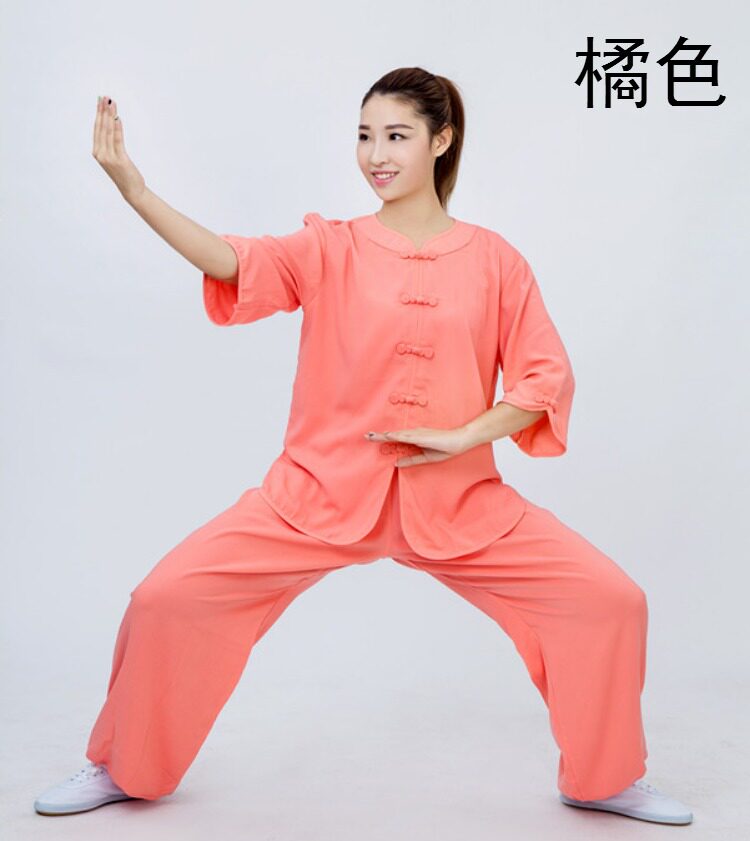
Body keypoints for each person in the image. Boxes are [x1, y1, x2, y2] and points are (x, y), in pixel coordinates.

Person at [34, 68, 693, 826]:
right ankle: (123, 765)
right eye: (364, 135)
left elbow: (543, 377)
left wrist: (464, 434)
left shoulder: (495, 261)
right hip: (317, 496)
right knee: (166, 599)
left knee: (610, 600)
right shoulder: (331, 247)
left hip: (461, 506)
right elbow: (232, 261)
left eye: (397, 136)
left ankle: (604, 777)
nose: (376, 154)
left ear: (441, 141)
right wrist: (135, 189)